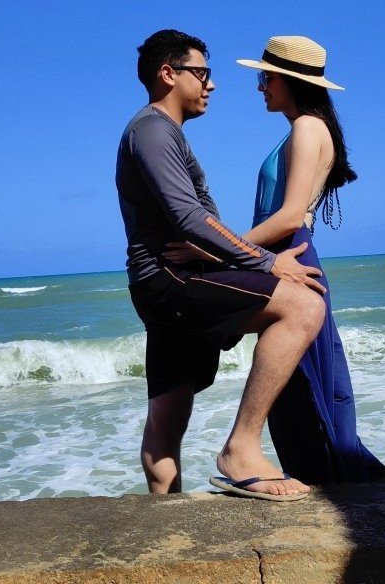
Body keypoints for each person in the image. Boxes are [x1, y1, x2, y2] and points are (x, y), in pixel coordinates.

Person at [170, 35, 385, 484]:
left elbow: (290, 216)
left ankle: (315, 483)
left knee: (302, 389)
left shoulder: (307, 128)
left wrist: (216, 248)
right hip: (283, 256)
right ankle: (311, 479)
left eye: (266, 77)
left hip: (287, 256)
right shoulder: (307, 127)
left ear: (291, 81)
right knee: (298, 387)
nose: (260, 86)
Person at [115, 29, 329, 501]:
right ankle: (241, 448)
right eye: (201, 73)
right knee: (303, 307)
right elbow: (191, 220)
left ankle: (164, 520)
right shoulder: (152, 130)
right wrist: (267, 262)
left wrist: (238, 257)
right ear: (168, 74)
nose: (210, 84)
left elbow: (194, 222)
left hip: (163, 281)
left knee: (167, 417)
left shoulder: (163, 133)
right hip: (172, 280)